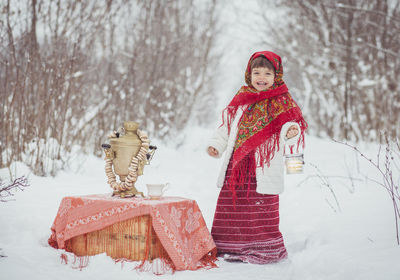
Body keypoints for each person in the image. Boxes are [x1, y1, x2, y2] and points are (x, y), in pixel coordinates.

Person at [207, 51, 307, 264]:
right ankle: (229, 247)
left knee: (260, 206)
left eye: (267, 73)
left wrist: (291, 131)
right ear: (249, 74)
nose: (261, 77)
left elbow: (291, 124)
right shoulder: (242, 99)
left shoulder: (281, 101)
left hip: (263, 165)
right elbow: (226, 127)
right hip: (237, 165)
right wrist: (216, 146)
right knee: (233, 204)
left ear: (276, 76)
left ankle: (262, 248)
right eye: (257, 72)